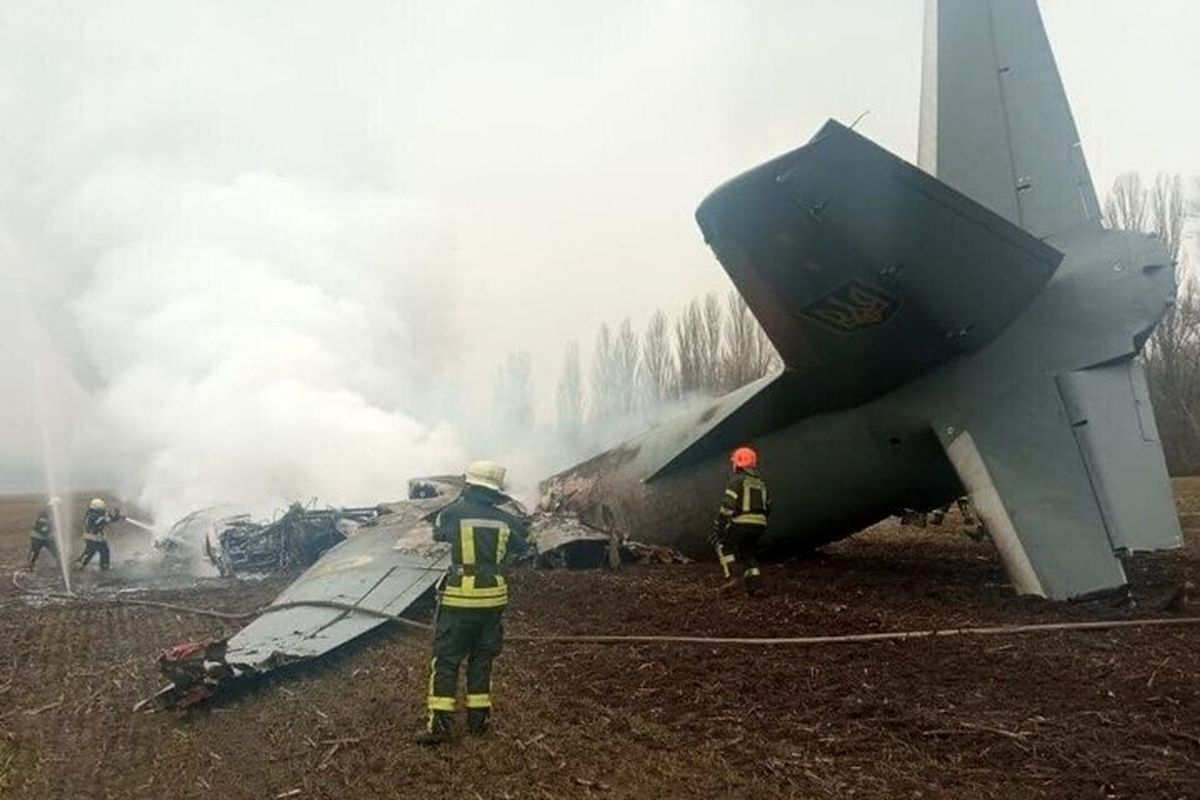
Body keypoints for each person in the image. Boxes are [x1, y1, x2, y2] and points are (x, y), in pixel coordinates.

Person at [414, 460, 529, 746]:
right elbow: (522, 545)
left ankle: (439, 726)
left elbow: (438, 533)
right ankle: (479, 722)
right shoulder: (510, 521)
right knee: (482, 660)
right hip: (493, 601)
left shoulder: (453, 513)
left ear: (469, 484)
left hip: (460, 601)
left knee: (447, 660)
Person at [711, 445, 770, 596]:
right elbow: (768, 505)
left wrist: (720, 524)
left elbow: (727, 505)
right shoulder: (761, 483)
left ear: (738, 462)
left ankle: (732, 577)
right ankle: (756, 588)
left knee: (723, 545)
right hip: (759, 525)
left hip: (742, 522)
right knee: (748, 553)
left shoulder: (736, 481)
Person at [77, 498, 121, 571]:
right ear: (96, 509)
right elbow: (100, 522)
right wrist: (110, 516)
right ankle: (79, 565)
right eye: (100, 509)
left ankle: (104, 566)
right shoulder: (92, 516)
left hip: (96, 537)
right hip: (91, 537)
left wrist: (115, 517)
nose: (102, 511)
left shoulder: (96, 515)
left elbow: (105, 520)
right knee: (90, 552)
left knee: (104, 550)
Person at [27, 503, 59, 570]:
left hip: (40, 539)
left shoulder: (41, 520)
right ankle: (31, 565)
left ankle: (31, 565)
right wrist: (51, 530)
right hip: (39, 539)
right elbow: (44, 531)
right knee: (37, 552)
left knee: (37, 552)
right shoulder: (43, 521)